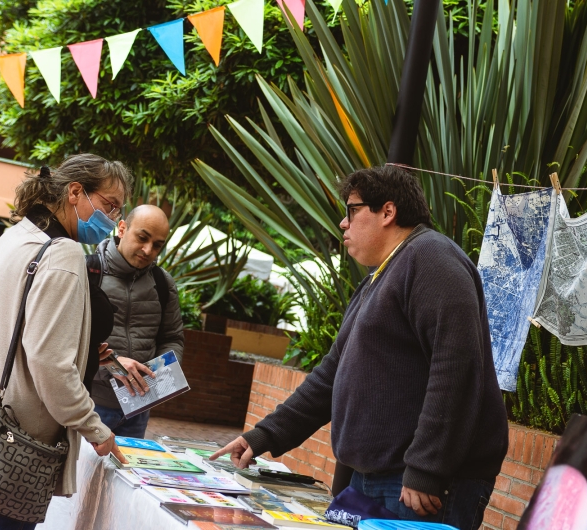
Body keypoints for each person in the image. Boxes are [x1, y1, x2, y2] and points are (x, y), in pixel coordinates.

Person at [212, 165, 509, 530]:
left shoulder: (431, 258)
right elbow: (331, 375)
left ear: (388, 211)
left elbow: (456, 368)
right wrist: (265, 435)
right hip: (374, 480)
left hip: (417, 486)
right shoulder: (379, 276)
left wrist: (426, 469)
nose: (343, 223)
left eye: (352, 210)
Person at [0, 154, 132, 530]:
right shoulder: (64, 254)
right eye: (109, 205)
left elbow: (20, 327)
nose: (112, 218)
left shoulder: (18, 236)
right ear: (76, 192)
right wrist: (96, 429)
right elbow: (49, 362)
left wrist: (95, 355)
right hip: (20, 439)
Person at [88, 204, 184, 438]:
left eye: (158, 245)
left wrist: (161, 376)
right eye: (143, 237)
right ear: (122, 229)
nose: (148, 250)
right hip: (89, 407)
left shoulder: (163, 283)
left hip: (137, 412)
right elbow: (67, 341)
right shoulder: (86, 272)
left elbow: (172, 338)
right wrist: (115, 364)